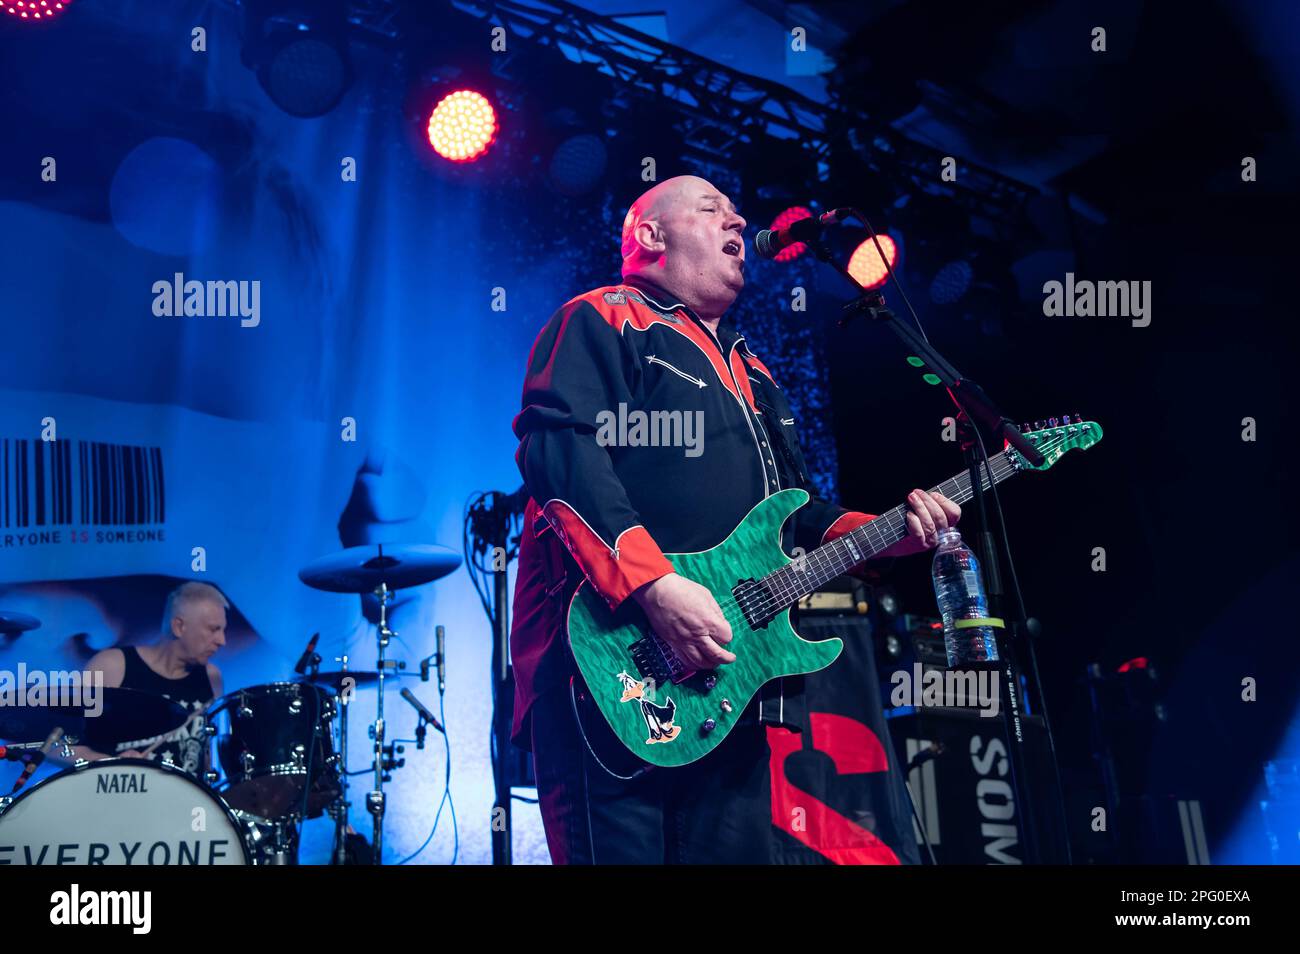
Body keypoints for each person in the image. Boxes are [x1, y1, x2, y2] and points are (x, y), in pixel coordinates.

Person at [510, 174, 961, 863]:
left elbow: (796, 512)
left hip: (729, 685)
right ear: (651, 236)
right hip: (609, 667)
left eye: (736, 211)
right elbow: (560, 450)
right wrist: (654, 587)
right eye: (712, 208)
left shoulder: (757, 372)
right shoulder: (603, 318)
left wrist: (888, 533)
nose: (738, 221)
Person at [73, 581, 227, 773]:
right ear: (179, 626)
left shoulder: (212, 678)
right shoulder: (112, 666)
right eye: (214, 629)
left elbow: (207, 758)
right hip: (117, 795)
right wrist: (110, 761)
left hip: (186, 800)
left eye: (223, 630)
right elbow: (61, 745)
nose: (222, 641)